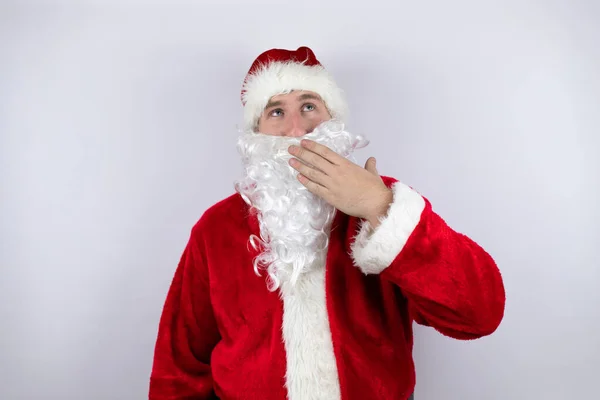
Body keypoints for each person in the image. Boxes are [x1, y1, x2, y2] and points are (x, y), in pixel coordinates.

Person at [148, 46, 506, 400]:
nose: (295, 130)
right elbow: (180, 366)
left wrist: (378, 207)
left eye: (308, 106)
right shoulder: (217, 228)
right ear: (255, 132)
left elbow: (478, 314)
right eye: (276, 111)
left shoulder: (385, 204)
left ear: (333, 118)